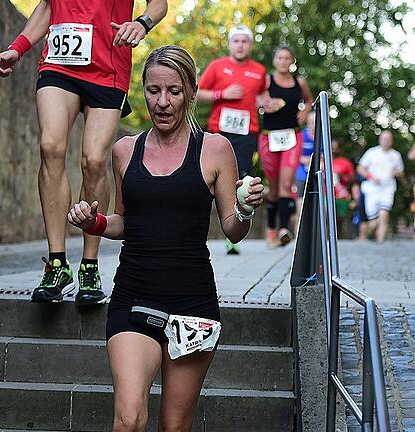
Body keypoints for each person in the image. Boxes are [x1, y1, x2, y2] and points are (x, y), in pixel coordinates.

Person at [67, 46, 264, 432]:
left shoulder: (216, 149)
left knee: (174, 426)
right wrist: (93, 222)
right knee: (128, 418)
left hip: (193, 304)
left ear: (191, 91)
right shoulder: (125, 151)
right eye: (153, 90)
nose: (162, 102)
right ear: (142, 91)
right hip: (133, 296)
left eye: (173, 91)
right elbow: (123, 222)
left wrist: (244, 208)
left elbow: (232, 228)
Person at [0, 0, 168, 306]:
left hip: (107, 66)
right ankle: (57, 263)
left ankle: (89, 265)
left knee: (94, 161)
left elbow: (159, 3)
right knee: (50, 146)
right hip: (59, 63)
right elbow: (48, 6)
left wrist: (141, 23)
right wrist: (18, 48)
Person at [197, 24, 268, 255]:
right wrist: (222, 94)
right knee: (211, 181)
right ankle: (200, 232)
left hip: (247, 133)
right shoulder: (218, 66)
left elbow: (262, 98)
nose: (240, 45)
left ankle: (234, 237)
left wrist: (269, 103)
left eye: (244, 41)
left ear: (250, 45)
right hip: (219, 131)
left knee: (243, 181)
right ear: (230, 44)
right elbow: (195, 92)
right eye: (236, 41)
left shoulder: (259, 70)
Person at [258, 46, 313, 246]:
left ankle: (283, 230)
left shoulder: (300, 82)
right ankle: (271, 228)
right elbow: (256, 99)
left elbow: (309, 100)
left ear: (292, 61)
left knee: (285, 183)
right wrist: (264, 104)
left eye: (287, 58)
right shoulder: (266, 81)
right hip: (269, 137)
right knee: (272, 188)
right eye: (280, 57)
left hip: (292, 136)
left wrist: (305, 111)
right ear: (274, 61)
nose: (283, 61)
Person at [357, 130, 405, 242]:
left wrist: (398, 173)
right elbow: (360, 168)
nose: (386, 142)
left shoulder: (396, 155)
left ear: (392, 141)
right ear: (380, 140)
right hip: (372, 189)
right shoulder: (371, 152)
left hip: (388, 188)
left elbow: (401, 172)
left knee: (384, 214)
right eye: (384, 139)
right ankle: (370, 235)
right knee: (373, 223)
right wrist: (371, 177)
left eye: (388, 139)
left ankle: (380, 242)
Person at [294, 110, 316, 223]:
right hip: (301, 173)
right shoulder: (302, 136)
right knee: (300, 202)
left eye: (315, 122)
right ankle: (298, 230)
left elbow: (324, 156)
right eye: (311, 122)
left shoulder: (322, 137)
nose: (313, 125)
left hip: (316, 173)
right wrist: (306, 160)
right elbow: (295, 155)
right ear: (307, 123)